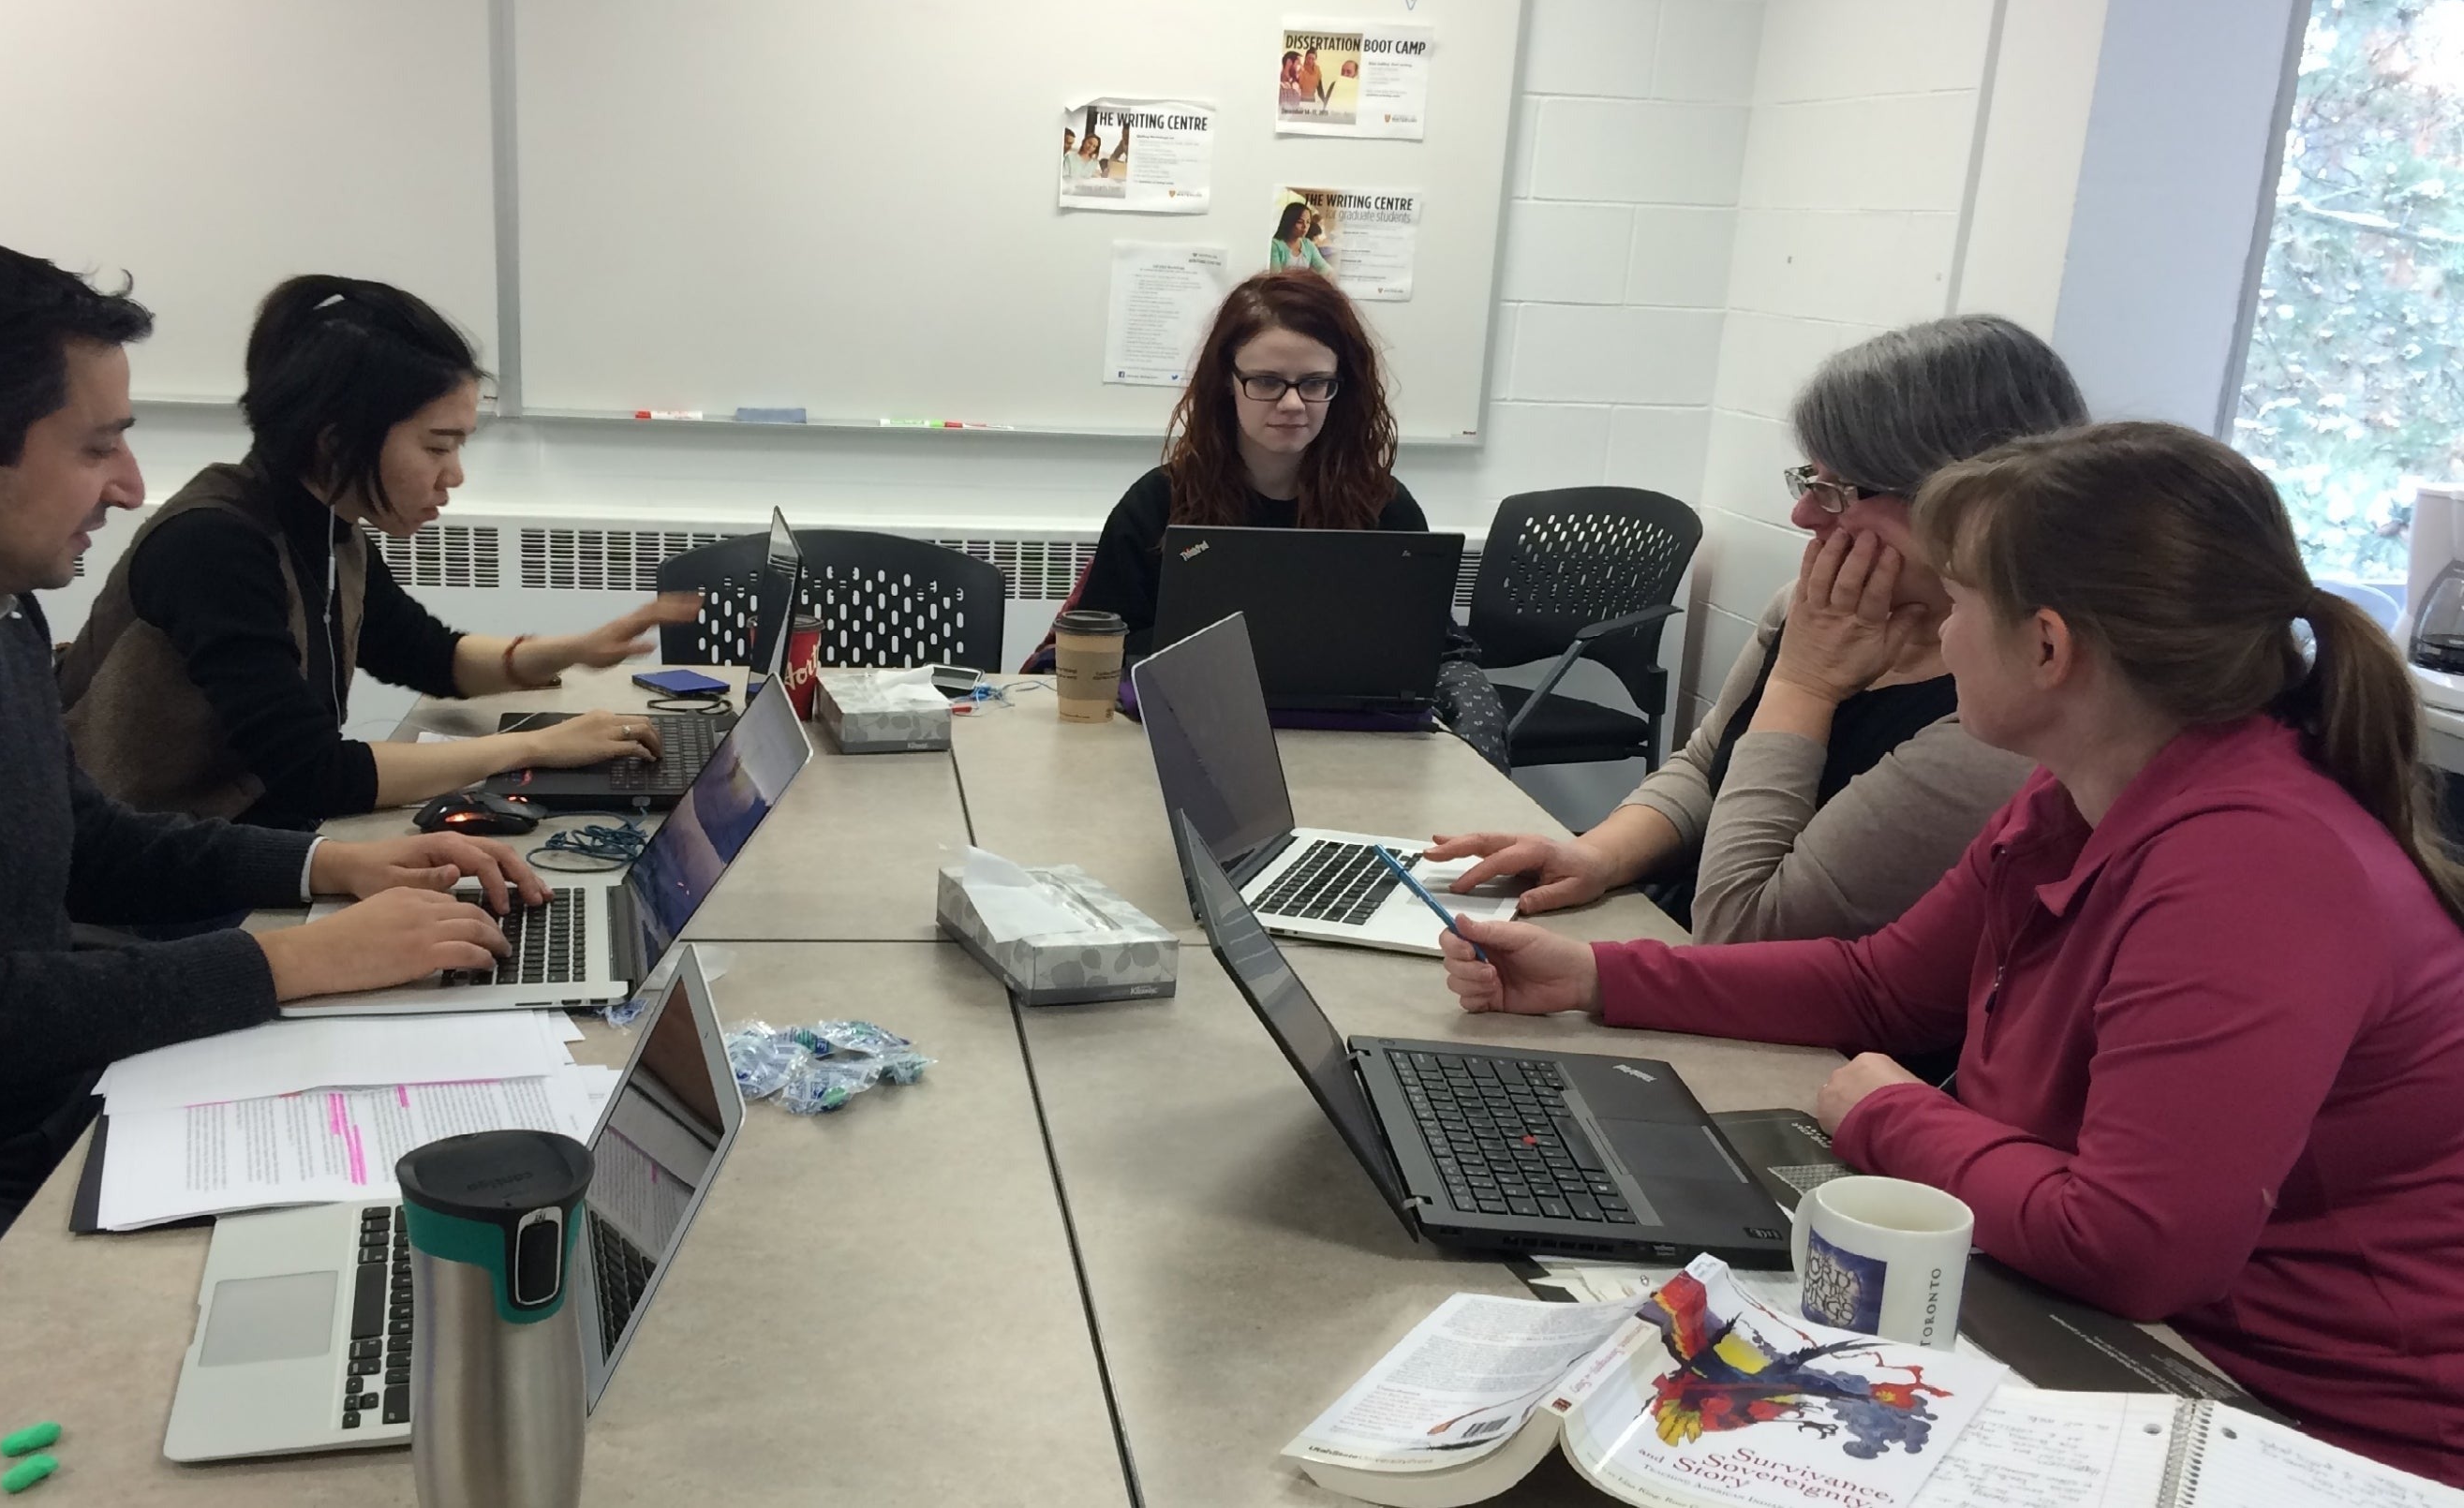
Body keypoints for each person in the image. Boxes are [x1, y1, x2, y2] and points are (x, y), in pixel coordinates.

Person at [0, 235, 543, 1469]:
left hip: (0, 1108)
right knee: (146, 1417)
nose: (130, 484)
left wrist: (322, 871)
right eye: (95, 444)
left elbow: (80, 842)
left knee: (354, 1238)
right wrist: (295, 964)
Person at [1437, 421, 2464, 1483]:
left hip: (2309, 1436)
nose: (1937, 627)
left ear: (2050, 647)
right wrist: (1599, 974)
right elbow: (1878, 983)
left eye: (1960, 600)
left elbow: (2136, 1243)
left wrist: (1890, 1113)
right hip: (2124, 1344)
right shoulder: (2083, 786)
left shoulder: (2256, 867)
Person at [1432, 317, 2089, 944]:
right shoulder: (1807, 608)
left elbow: (1745, 929)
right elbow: (1707, 765)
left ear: (1965, 504)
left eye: (1838, 490)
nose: (1804, 513)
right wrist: (1593, 854)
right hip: (1673, 943)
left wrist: (1804, 686)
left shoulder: (1996, 726)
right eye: (1810, 478)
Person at [58, 275, 697, 829]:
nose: (454, 475)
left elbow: (432, 656)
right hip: (156, 893)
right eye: (437, 446)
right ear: (336, 441)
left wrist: (574, 650)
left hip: (246, 844)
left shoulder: (332, 525)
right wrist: (537, 746)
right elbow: (313, 772)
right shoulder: (213, 545)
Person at [1053, 269, 1509, 766]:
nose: (1293, 404)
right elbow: (1097, 643)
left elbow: (1429, 651)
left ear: (1343, 386)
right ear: (1226, 383)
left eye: (1315, 383)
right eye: (1267, 381)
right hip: (1193, 747)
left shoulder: (1383, 506)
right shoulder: (1159, 501)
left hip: (1358, 751)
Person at [1268, 200, 1333, 274]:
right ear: (1289, 222)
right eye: (1300, 222)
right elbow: (1275, 277)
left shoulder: (1308, 245)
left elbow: (1323, 267)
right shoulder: (1275, 245)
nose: (1305, 226)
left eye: (1308, 222)